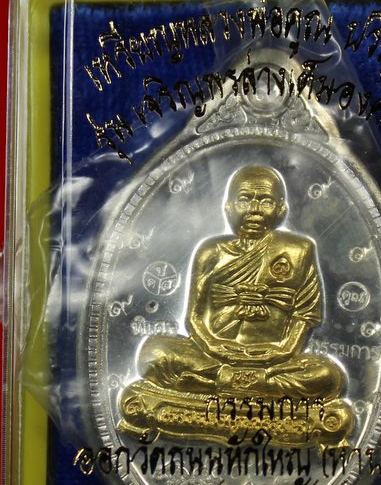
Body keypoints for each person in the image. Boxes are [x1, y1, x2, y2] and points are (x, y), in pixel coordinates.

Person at [138, 165, 345, 400]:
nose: (254, 210)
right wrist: (213, 345)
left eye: (266, 202)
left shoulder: (298, 250)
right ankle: (259, 387)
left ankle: (215, 385)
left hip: (275, 359)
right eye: (245, 200)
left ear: (281, 209)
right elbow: (193, 317)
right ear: (228, 207)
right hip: (213, 355)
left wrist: (284, 351)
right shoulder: (211, 251)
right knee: (154, 354)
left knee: (326, 375)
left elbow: (305, 315)